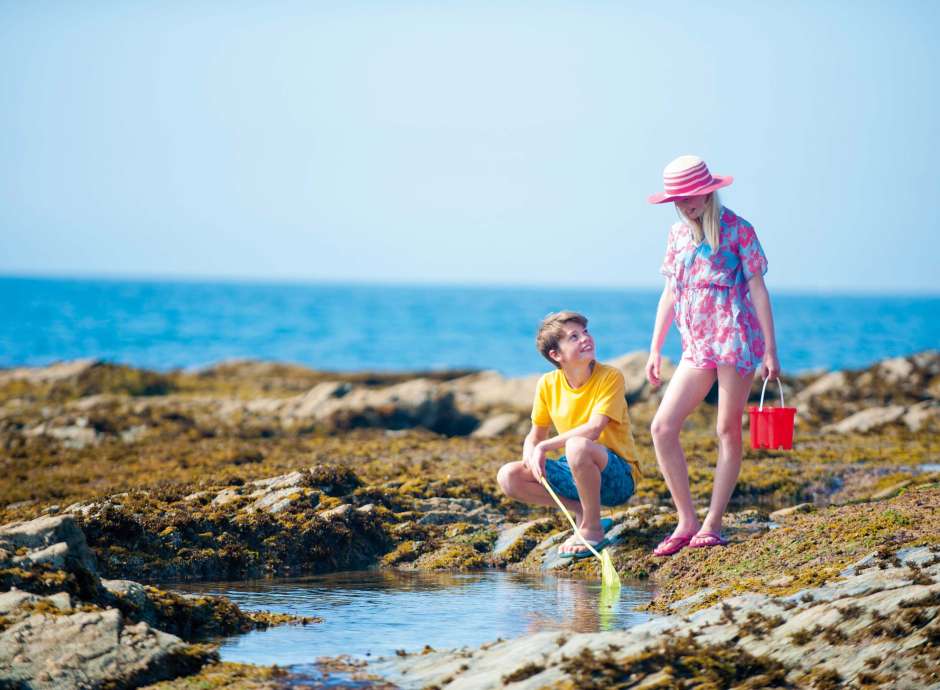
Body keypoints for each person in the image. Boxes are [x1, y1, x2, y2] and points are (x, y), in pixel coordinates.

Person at [645, 155, 780, 556]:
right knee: (662, 428)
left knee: (726, 430)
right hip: (696, 345)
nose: (685, 204)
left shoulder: (738, 230)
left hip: (735, 339)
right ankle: (686, 520)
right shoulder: (676, 235)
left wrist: (770, 351)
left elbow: (758, 289)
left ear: (709, 191)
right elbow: (670, 292)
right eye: (678, 199)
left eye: (691, 196)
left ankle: (713, 523)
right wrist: (655, 347)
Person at [496, 311, 640, 557]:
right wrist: (530, 452)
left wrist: (544, 447)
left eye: (585, 332)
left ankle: (593, 530)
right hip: (576, 471)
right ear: (556, 355)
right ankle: (585, 513)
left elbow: (594, 429)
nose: (585, 339)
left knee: (577, 445)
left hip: (618, 476)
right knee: (508, 476)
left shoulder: (610, 376)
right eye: (574, 337)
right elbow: (535, 434)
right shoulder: (547, 384)